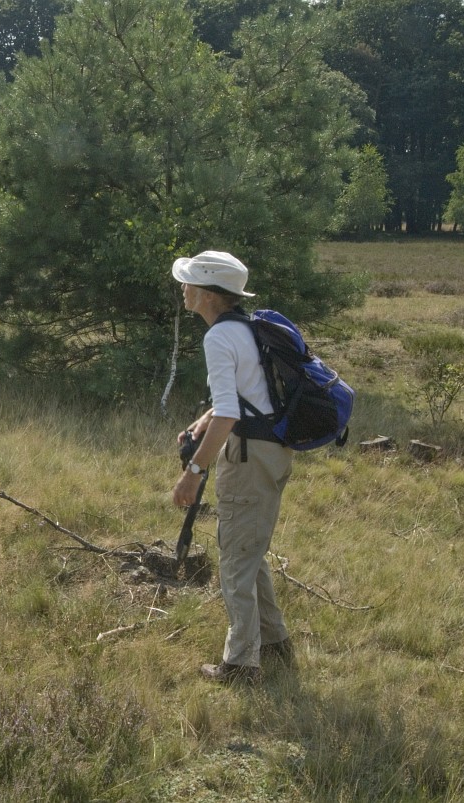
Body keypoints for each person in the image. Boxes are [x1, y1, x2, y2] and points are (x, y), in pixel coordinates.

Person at [171, 250, 295, 686]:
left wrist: (193, 472)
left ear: (208, 294)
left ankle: (242, 665)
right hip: (270, 451)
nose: (183, 288)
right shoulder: (245, 328)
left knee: (237, 561)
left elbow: (229, 414)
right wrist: (204, 420)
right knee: (249, 549)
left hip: (249, 457)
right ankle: (275, 642)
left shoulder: (219, 337)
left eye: (189, 282)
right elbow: (244, 396)